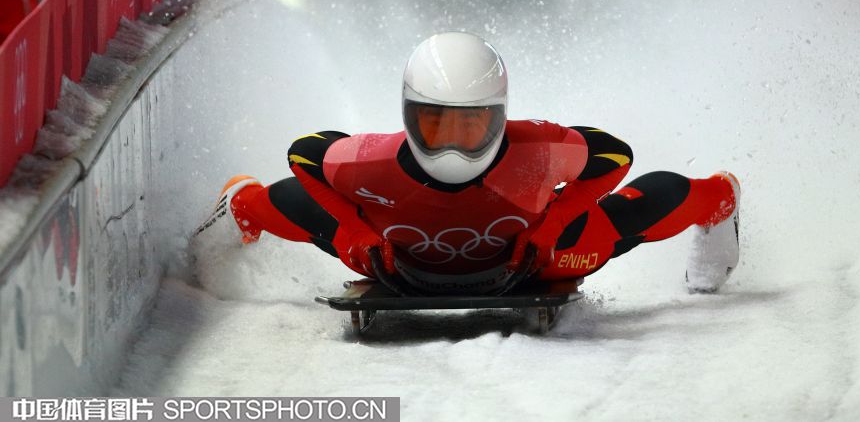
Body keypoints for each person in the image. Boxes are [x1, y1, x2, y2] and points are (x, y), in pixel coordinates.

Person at [198, 32, 741, 295]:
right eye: (437, 124)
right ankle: (238, 202)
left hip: (538, 254)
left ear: (498, 117)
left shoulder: (534, 149)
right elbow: (305, 156)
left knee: (637, 210)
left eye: (471, 124)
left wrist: (554, 222)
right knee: (275, 202)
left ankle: (720, 197)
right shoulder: (372, 161)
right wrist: (352, 230)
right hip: (396, 254)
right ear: (410, 115)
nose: (453, 144)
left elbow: (613, 154)